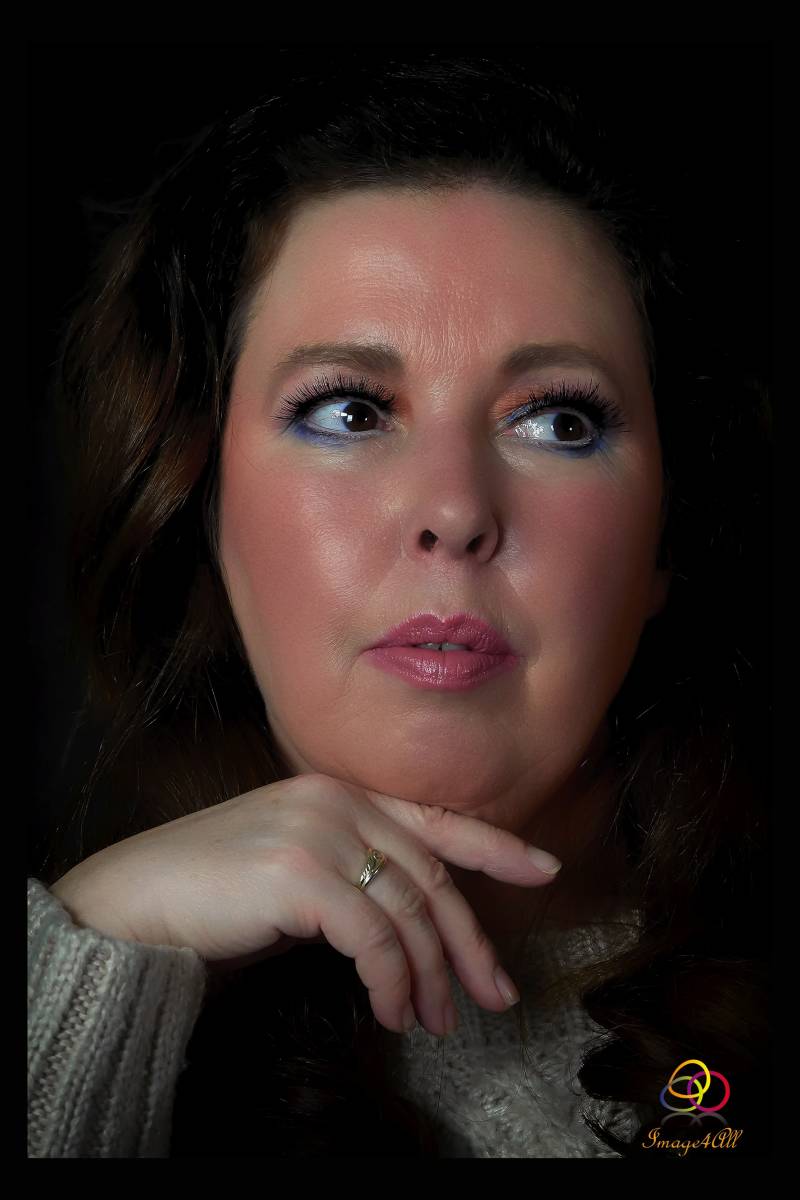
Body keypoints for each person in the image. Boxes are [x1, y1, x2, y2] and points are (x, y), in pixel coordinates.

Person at [28, 52, 770, 1158]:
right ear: (200, 510)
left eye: (559, 421)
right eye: (347, 411)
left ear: (667, 535)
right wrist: (86, 960)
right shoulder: (74, 981)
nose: (454, 512)